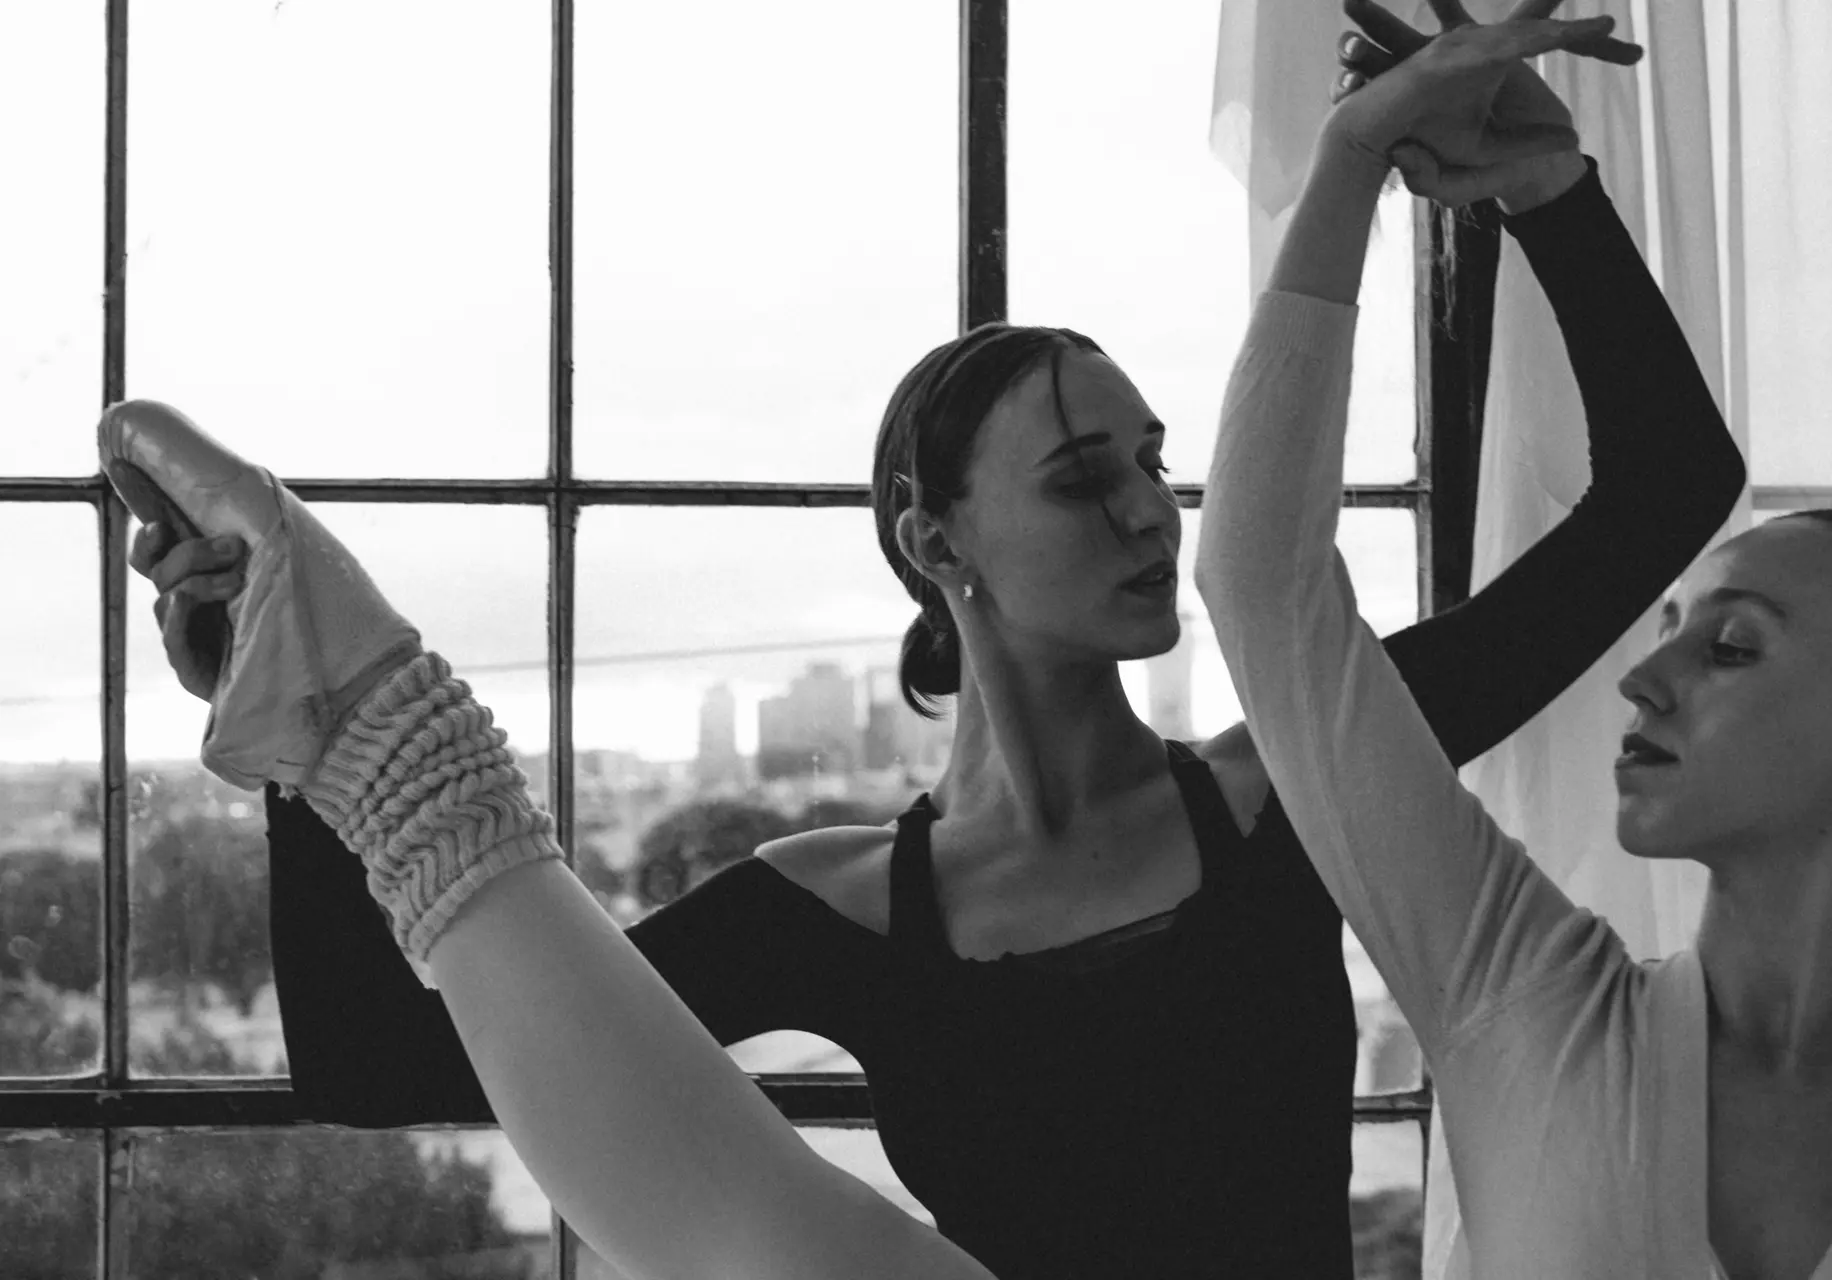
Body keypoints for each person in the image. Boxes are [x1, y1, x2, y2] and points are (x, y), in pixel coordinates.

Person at [122, 7, 1733, 1277]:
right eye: (1083, 475)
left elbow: (1668, 489)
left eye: (1156, 464)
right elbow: (385, 1065)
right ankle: (330, 686)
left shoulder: (1296, 790)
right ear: (935, 541)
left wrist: (1548, 196)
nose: (1151, 513)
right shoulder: (835, 907)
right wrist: (287, 758)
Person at [1198, 3, 1832, 1278]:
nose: (1641, 677)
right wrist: (1356, 161)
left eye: (1731, 647)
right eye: (1668, 631)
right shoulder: (1520, 996)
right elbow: (1265, 593)